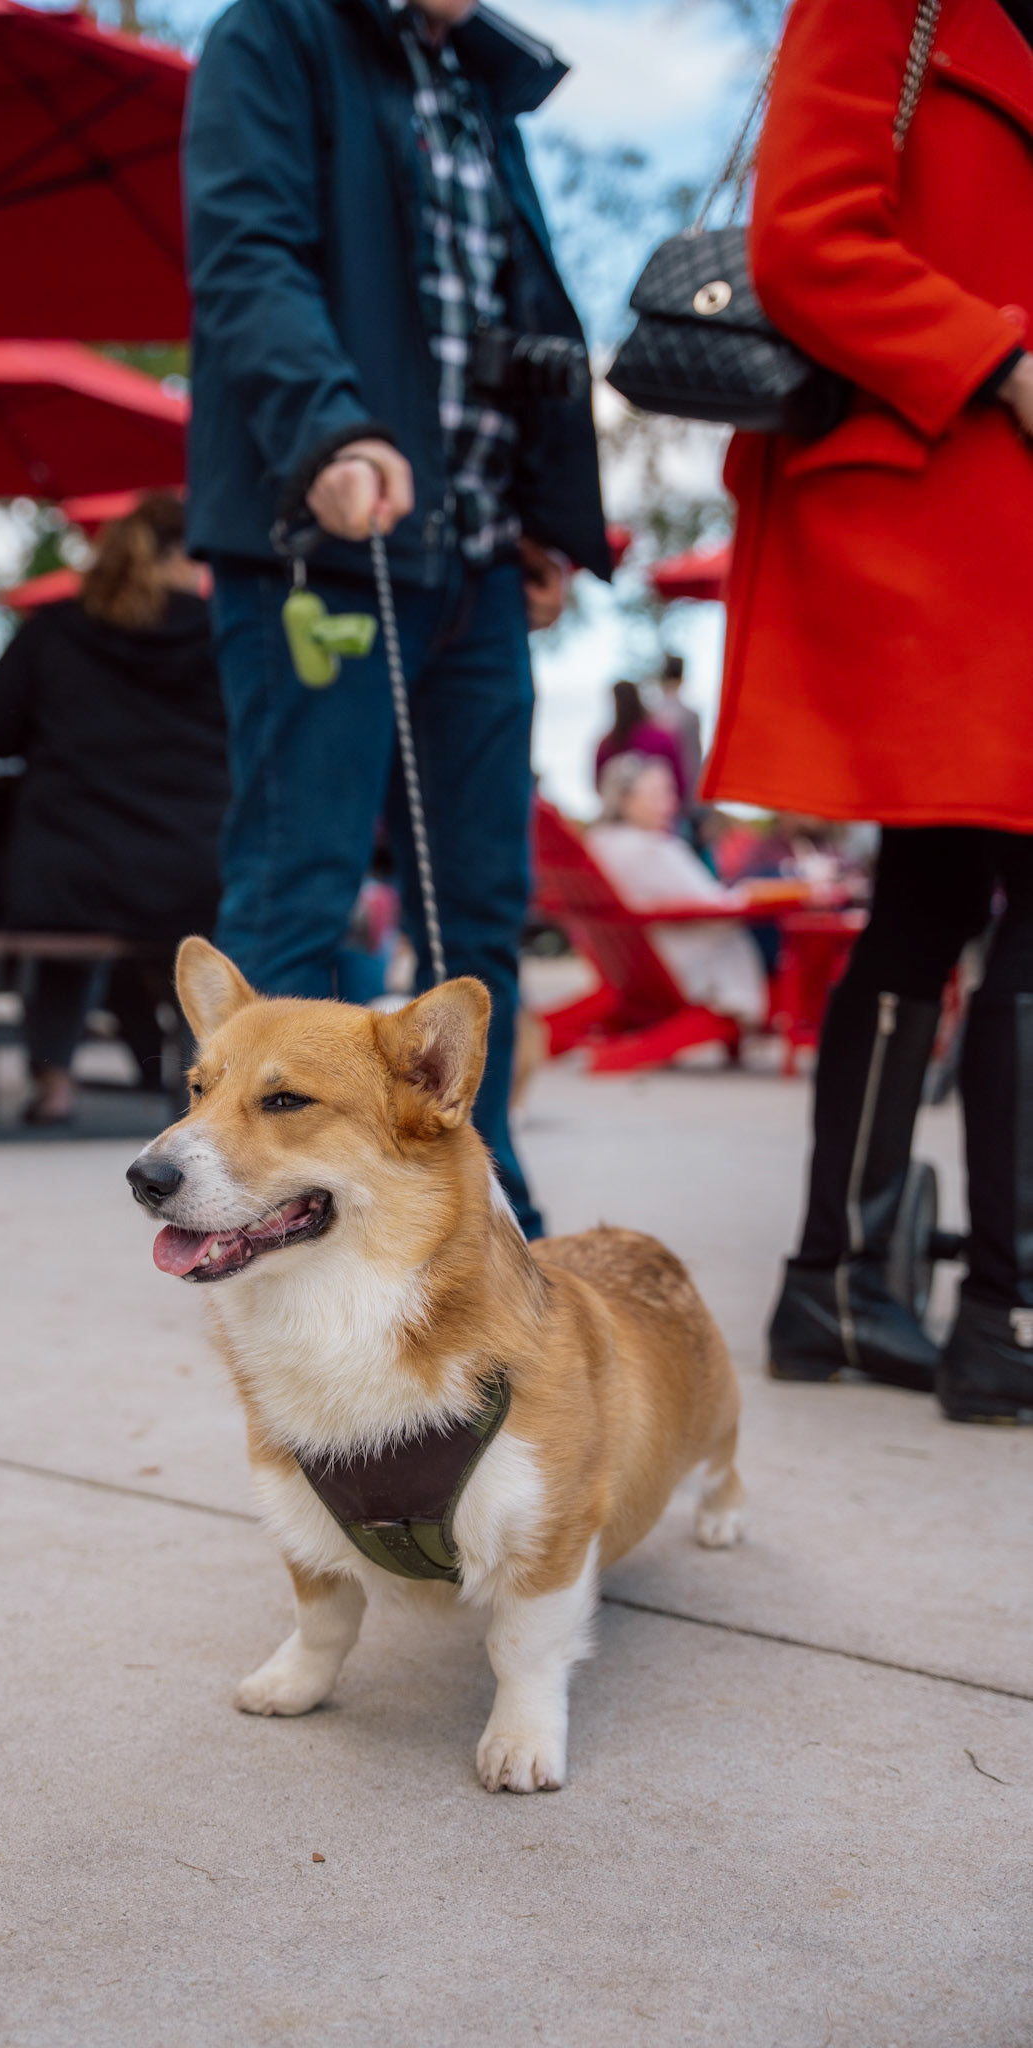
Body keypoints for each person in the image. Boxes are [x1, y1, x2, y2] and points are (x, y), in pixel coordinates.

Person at [185, 0, 610, 1239]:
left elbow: (513, 307)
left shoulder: (481, 81)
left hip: (479, 556)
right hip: (321, 538)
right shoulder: (274, 35)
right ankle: (241, 1198)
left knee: (483, 905)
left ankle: (480, 1194)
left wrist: (544, 511)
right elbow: (248, 255)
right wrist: (327, 430)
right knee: (300, 887)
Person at [699, 0, 1033, 1421]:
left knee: (930, 893)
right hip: (936, 508)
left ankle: (834, 1282)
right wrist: (1000, 357)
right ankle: (1006, 1311)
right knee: (975, 891)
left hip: (989, 524)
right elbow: (805, 238)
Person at [0, 496, 228, 1124]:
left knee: (65, 932)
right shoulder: (221, 632)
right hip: (194, 868)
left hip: (70, 867)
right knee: (189, 940)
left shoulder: (57, 627)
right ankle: (209, 1088)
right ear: (180, 555)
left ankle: (54, 1083)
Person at [588, 755, 766, 1028]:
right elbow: (714, 904)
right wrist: (752, 895)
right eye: (658, 794)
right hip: (681, 969)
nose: (670, 804)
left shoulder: (599, 845)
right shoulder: (651, 848)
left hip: (630, 968)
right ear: (625, 799)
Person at [594, 680, 688, 807]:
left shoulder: (607, 745)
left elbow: (599, 785)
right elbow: (680, 782)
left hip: (622, 811)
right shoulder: (661, 736)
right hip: (663, 810)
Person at [647, 654, 702, 799]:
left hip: (657, 795)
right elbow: (694, 760)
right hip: (683, 792)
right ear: (681, 680)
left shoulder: (653, 715)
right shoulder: (690, 716)